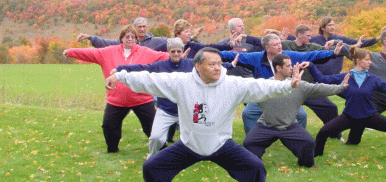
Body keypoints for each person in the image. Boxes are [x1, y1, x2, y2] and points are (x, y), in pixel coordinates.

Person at [105, 47, 303, 182]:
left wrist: (288, 84)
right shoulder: (181, 83)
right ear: (198, 66)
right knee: (151, 168)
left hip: (221, 144)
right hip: (189, 144)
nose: (217, 67)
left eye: (219, 63)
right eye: (211, 64)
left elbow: (262, 86)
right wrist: (120, 76)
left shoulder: (232, 84)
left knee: (255, 169)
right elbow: (150, 80)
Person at [111, 38, 239, 159]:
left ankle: (204, 154)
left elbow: (211, 68)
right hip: (167, 110)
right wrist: (120, 69)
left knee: (203, 131)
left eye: (179, 51)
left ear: (183, 51)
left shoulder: (191, 65)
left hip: (190, 108)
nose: (176, 54)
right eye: (173, 51)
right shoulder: (160, 66)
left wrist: (231, 65)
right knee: (156, 138)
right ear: (168, 52)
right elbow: (142, 68)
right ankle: (154, 157)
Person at [63, 25, 169, 153]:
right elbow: (89, 53)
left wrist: (180, 57)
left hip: (142, 99)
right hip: (116, 101)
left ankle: (163, 150)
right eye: (127, 36)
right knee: (109, 126)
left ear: (136, 39)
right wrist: (70, 52)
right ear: (121, 38)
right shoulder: (108, 52)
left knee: (152, 128)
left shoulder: (145, 52)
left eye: (133, 37)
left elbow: (162, 56)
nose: (130, 39)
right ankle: (112, 150)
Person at [306, 46, 386, 161]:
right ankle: (316, 155)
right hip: (349, 116)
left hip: (369, 116)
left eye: (370, 59)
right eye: (367, 59)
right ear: (358, 61)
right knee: (323, 132)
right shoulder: (345, 77)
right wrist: (311, 65)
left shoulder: (373, 79)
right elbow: (322, 79)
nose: (370, 62)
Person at [220, 33, 343, 134]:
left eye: (280, 43)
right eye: (275, 44)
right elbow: (232, 55)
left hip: (288, 93)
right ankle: (254, 138)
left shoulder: (288, 56)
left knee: (301, 114)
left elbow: (311, 55)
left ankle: (297, 137)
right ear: (267, 48)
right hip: (264, 95)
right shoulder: (256, 58)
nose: (280, 46)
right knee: (248, 113)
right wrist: (208, 54)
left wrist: (333, 53)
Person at [243, 54, 349, 167]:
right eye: (288, 66)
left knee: (309, 143)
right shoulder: (264, 85)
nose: (292, 68)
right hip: (266, 125)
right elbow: (244, 92)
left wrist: (341, 87)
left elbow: (320, 88)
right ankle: (255, 162)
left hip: (290, 126)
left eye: (291, 65)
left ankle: (307, 164)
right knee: (249, 143)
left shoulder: (300, 86)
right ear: (278, 68)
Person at [154, 19, 236, 58]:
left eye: (189, 31)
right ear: (178, 34)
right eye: (186, 32)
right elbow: (152, 54)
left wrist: (229, 46)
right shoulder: (168, 45)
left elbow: (211, 47)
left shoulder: (193, 46)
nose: (189, 34)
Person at [76, 17, 168, 50]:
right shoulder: (126, 42)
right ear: (134, 28)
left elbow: (173, 43)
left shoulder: (156, 41)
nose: (142, 29)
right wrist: (89, 37)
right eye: (139, 27)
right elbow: (105, 43)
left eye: (144, 26)